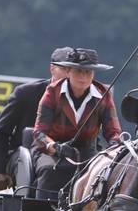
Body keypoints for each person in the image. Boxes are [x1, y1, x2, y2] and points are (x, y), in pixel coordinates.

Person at [32, 48, 122, 201]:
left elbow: (113, 131)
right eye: (79, 71)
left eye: (88, 72)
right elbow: (39, 134)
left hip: (87, 151)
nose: (83, 76)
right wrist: (55, 147)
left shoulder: (104, 95)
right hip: (51, 151)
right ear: (68, 71)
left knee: (102, 172)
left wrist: (115, 145)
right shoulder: (52, 92)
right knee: (49, 170)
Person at [0, 47, 74, 195]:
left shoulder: (84, 100)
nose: (70, 75)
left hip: (67, 154)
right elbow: (1, 133)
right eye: (65, 69)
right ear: (52, 69)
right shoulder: (26, 93)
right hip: (27, 153)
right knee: (48, 170)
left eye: (74, 70)